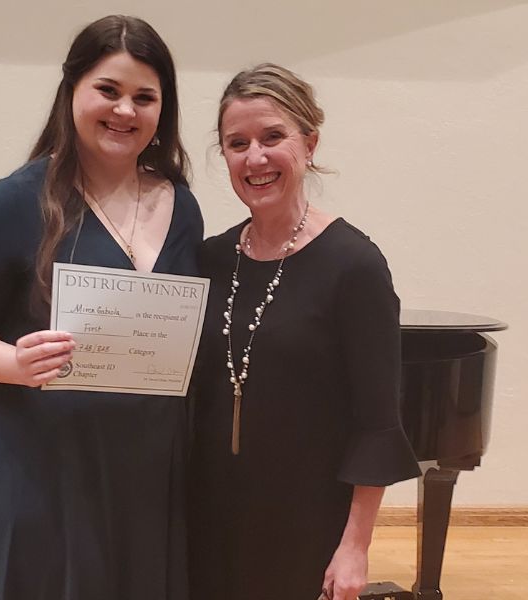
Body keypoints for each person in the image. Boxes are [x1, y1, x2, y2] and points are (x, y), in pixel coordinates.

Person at [0, 15, 202, 600]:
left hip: (144, 468)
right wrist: (11, 362)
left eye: (144, 97)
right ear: (72, 91)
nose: (124, 111)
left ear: (164, 109)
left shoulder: (182, 206)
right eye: (108, 90)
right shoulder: (12, 201)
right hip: (37, 462)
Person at [187, 64, 420, 600]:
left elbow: (377, 421)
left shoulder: (353, 264)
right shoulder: (210, 259)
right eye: (236, 143)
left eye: (273, 137)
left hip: (305, 520)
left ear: (309, 143)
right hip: (208, 514)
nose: (255, 158)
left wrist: (355, 547)